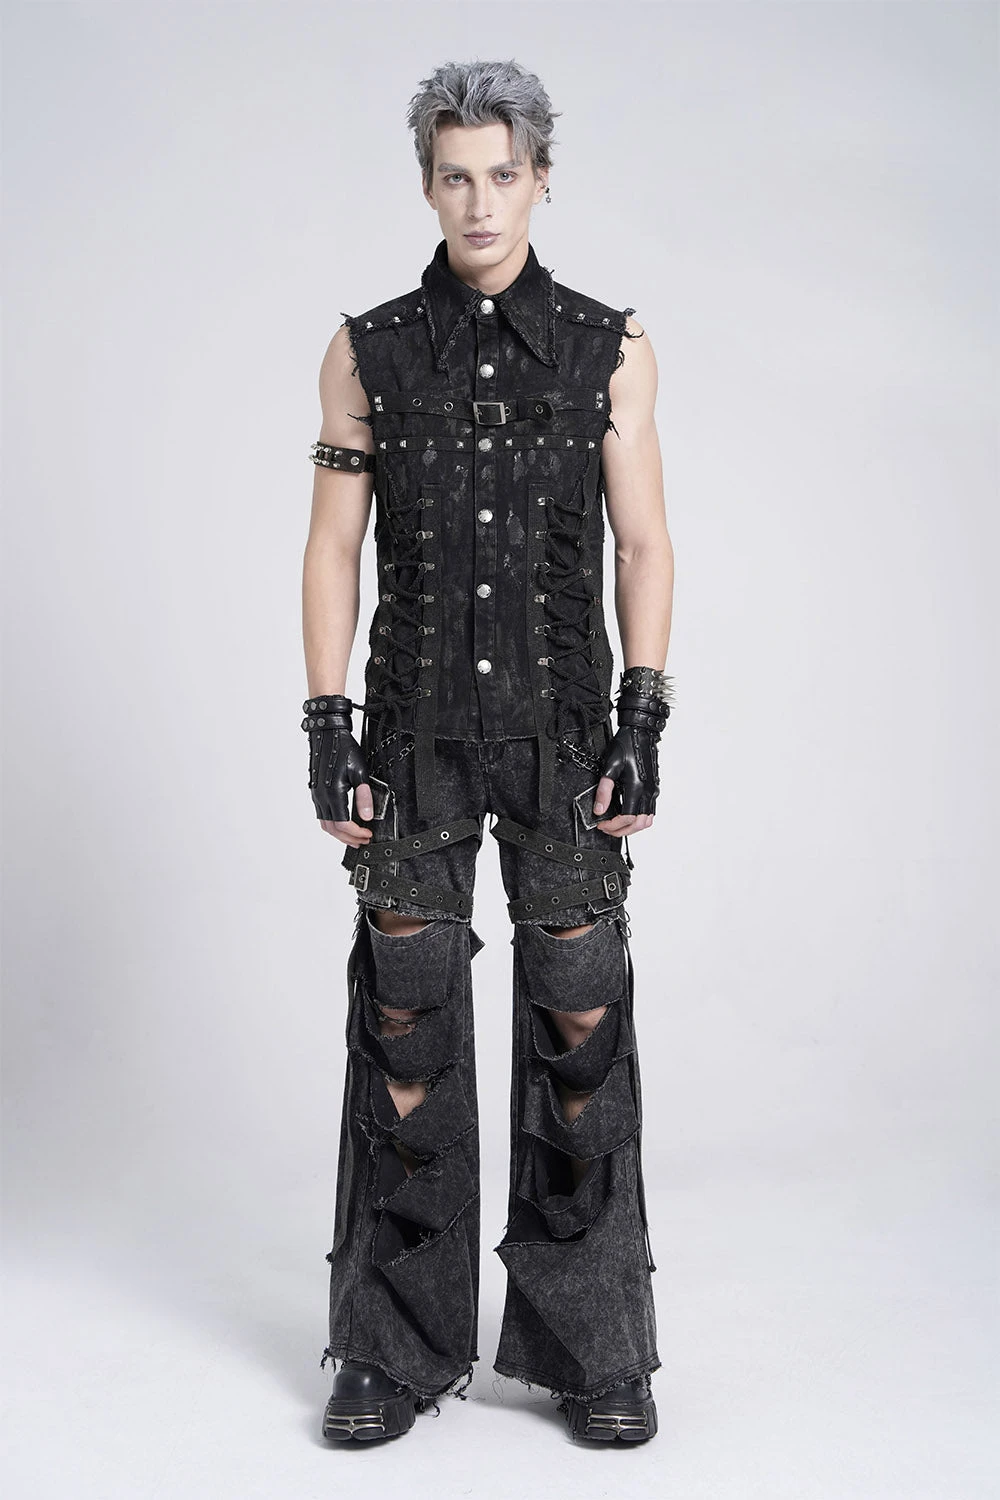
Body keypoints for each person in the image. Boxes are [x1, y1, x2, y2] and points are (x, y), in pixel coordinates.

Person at [301, 58, 675, 1446]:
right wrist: (327, 722)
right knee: (404, 1022)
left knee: (580, 1019)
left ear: (540, 180)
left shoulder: (607, 348)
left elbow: (644, 541)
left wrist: (642, 719)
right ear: (427, 185)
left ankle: (596, 1351)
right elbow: (333, 546)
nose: (478, 201)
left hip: (562, 734)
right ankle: (390, 1352)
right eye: (454, 176)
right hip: (411, 737)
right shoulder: (368, 352)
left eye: (501, 174)